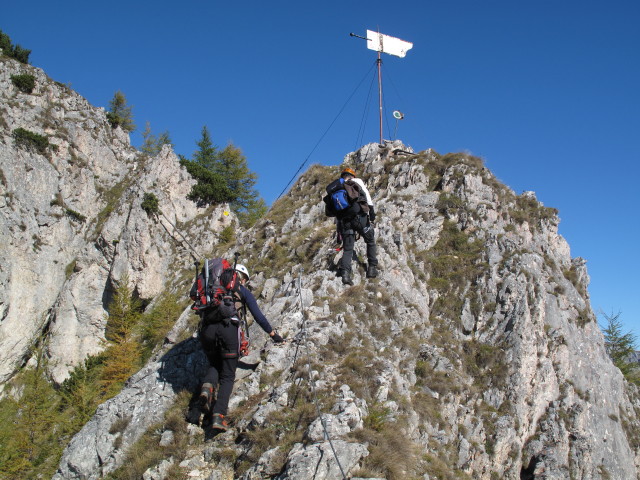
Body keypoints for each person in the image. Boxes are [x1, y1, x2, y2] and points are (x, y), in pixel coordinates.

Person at [196, 264, 283, 431]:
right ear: (240, 277)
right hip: (228, 330)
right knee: (228, 375)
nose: (244, 282)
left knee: (215, 363)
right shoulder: (241, 290)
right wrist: (273, 335)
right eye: (245, 280)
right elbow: (258, 316)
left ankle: (206, 389)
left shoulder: (211, 289)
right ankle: (218, 416)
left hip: (207, 331)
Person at [334, 167, 378, 285]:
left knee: (348, 249)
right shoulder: (356, 181)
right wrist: (372, 212)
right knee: (370, 240)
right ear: (352, 175)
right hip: (359, 219)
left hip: (345, 223)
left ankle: (345, 275)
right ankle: (372, 268)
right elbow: (366, 194)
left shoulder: (337, 188)